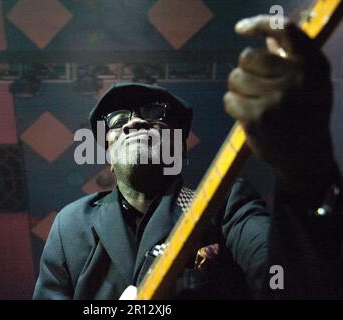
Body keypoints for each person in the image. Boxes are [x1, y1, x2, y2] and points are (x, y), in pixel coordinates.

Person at [33, 15, 343, 300]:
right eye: (117, 120)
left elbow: (289, 284)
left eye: (155, 114)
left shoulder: (223, 201)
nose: (135, 122)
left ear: (179, 148)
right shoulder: (71, 223)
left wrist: (307, 172)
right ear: (109, 157)